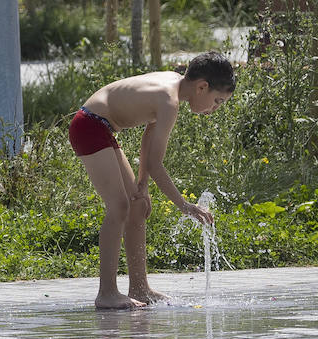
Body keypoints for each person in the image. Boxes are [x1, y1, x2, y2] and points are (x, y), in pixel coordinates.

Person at [69, 51, 237, 310]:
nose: (213, 110)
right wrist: (185, 206)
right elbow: (156, 164)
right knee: (119, 207)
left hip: (101, 126)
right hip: (90, 125)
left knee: (136, 204)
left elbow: (149, 133)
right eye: (217, 101)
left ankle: (139, 287)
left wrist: (142, 183)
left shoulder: (172, 85)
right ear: (202, 87)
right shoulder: (169, 101)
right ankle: (107, 293)